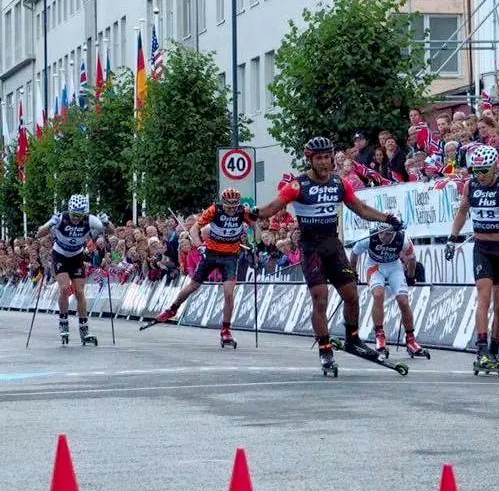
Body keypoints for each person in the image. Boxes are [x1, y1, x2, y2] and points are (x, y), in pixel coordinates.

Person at [253, 136, 404, 372]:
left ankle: (353, 338)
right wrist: (255, 212)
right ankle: (325, 349)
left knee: (351, 294)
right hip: (310, 247)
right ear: (310, 160)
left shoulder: (339, 183)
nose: (325, 162)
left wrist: (387, 219)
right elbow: (273, 206)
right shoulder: (297, 185)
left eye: (327, 157)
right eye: (319, 158)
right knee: (320, 298)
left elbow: (361, 209)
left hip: (332, 245)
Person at [445, 145, 499, 373]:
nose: (479, 175)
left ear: (494, 167)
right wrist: (452, 238)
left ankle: (494, 348)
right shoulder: (470, 186)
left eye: (484, 170)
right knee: (483, 297)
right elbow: (462, 212)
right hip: (482, 247)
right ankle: (481, 350)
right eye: (475, 170)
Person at [154, 187, 256, 348]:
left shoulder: (243, 211)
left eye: (234, 205)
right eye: (228, 205)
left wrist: (254, 231)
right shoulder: (215, 209)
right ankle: (172, 309)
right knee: (193, 285)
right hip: (211, 253)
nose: (231, 209)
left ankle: (226, 330)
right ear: (223, 203)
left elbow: (256, 228)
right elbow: (194, 228)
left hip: (230, 256)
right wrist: (199, 245)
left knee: (229, 293)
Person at [349, 220, 426, 359]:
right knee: (378, 294)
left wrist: (410, 276)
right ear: (379, 230)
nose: (386, 237)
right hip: (374, 266)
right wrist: (352, 273)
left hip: (394, 267)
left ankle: (411, 340)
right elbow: (354, 254)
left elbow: (412, 259)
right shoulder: (368, 237)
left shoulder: (403, 239)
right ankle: (380, 336)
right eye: (383, 234)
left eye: (390, 234)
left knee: (403, 301)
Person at [37, 194, 108, 345]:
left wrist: (107, 222)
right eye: (74, 215)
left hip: (76, 257)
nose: (76, 219)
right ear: (69, 210)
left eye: (79, 216)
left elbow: (110, 231)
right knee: (64, 288)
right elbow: (39, 233)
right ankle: (63, 322)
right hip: (60, 256)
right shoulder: (61, 218)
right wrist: (49, 224)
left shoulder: (90, 220)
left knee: (80, 292)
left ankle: (84, 329)